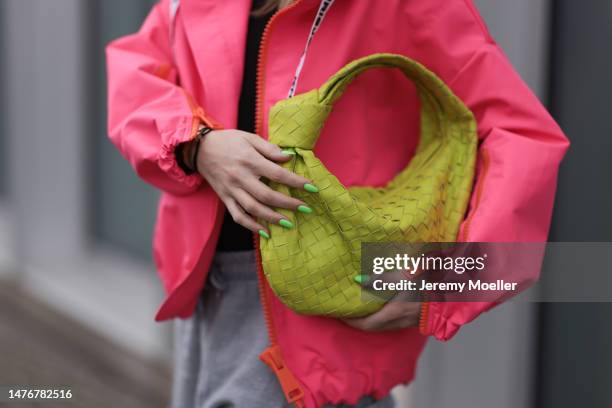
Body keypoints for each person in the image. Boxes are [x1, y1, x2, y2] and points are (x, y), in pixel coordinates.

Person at [106, 0, 569, 407]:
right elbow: (136, 73)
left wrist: (445, 287)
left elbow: (521, 137)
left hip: (331, 311)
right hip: (210, 291)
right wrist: (197, 145)